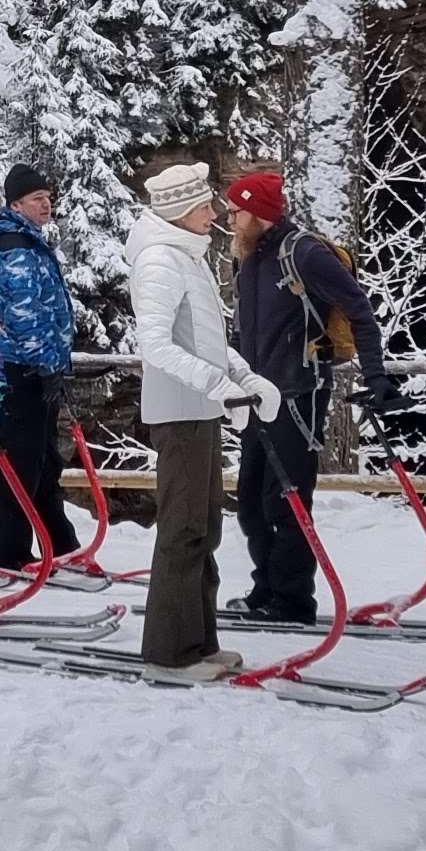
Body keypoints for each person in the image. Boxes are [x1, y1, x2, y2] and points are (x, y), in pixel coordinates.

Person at [222, 168, 399, 624]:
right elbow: (244, 330)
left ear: (259, 213)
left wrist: (376, 376)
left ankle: (294, 600)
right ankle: (267, 588)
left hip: (300, 395)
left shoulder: (305, 254)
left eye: (238, 211)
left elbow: (360, 310)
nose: (230, 218)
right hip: (257, 396)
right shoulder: (250, 258)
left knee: (287, 501)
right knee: (250, 503)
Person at [127, 163, 270, 676]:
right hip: (181, 410)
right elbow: (157, 345)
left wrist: (245, 378)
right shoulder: (161, 260)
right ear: (180, 212)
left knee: (203, 528)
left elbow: (207, 341)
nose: (217, 214)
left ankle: (200, 641)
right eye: (206, 207)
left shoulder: (190, 256)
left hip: (203, 408)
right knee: (182, 529)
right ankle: (169, 653)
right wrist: (216, 385)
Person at [0, 163, 77, 567]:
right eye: (37, 198)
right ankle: (8, 553)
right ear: (16, 203)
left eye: (49, 197)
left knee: (44, 462)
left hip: (40, 368)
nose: (46, 204)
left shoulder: (28, 241)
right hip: (24, 369)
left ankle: (61, 544)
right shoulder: (14, 244)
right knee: (22, 465)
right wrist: (46, 364)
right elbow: (24, 313)